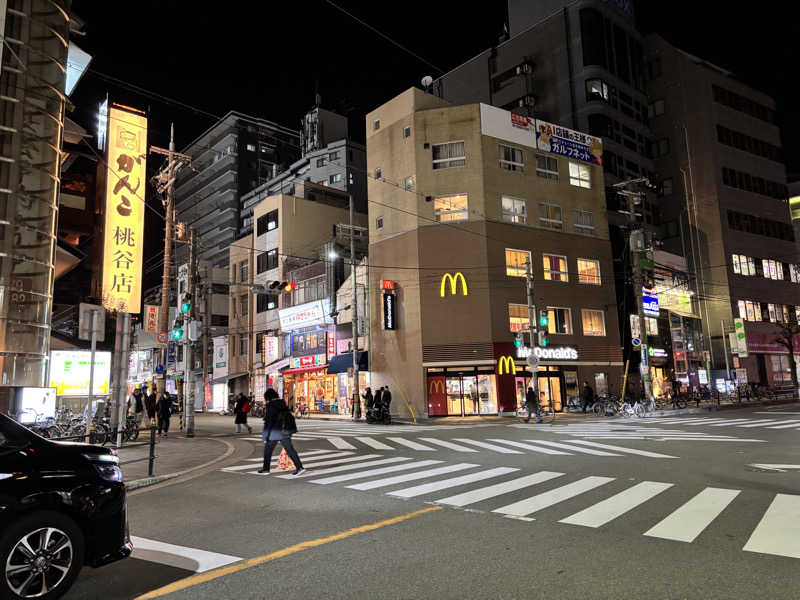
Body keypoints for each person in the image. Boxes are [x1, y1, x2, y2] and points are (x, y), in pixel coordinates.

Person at [258, 388, 305, 475]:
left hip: (276, 431)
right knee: (290, 449)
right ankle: (300, 467)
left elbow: (269, 422)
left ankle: (266, 469)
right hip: (286, 430)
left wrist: (265, 436)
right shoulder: (282, 403)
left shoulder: (271, 405)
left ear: (267, 397)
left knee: (268, 450)